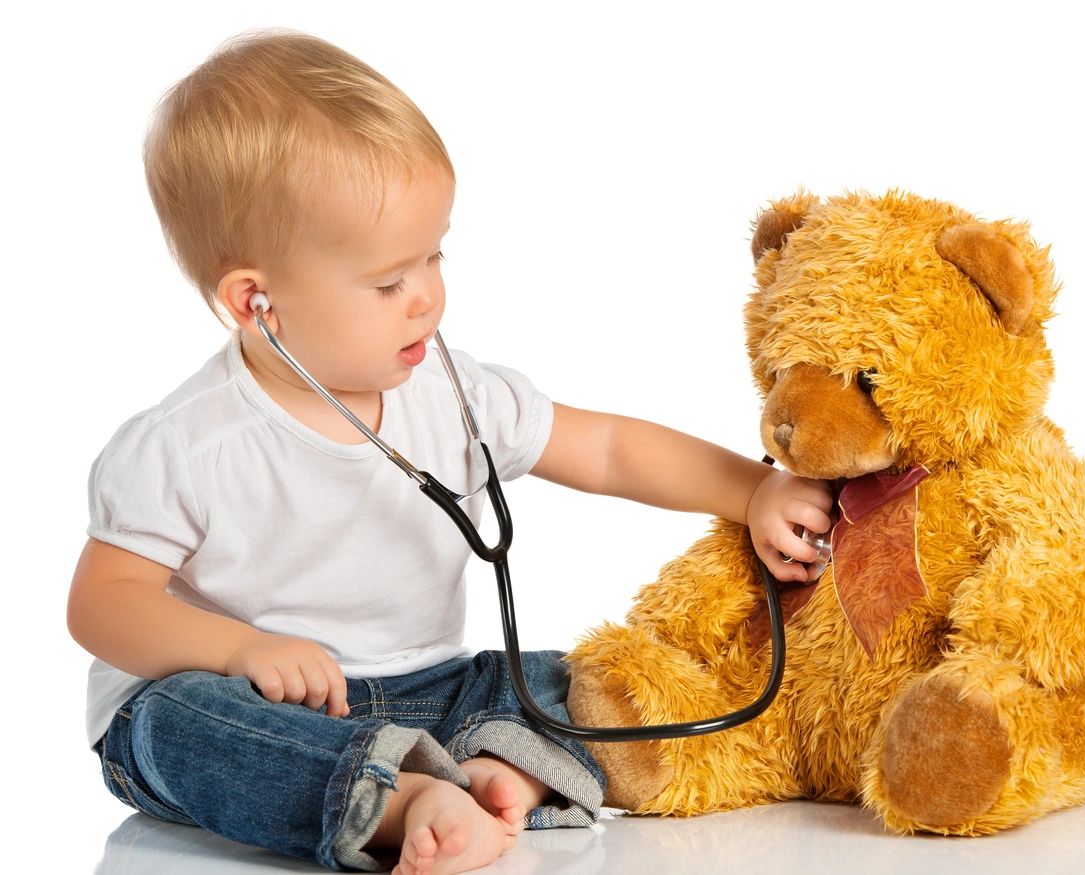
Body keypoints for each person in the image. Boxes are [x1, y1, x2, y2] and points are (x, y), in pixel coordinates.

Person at [66, 29, 833, 875]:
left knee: (574, 671)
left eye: (434, 255)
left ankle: (489, 770)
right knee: (178, 722)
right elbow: (102, 605)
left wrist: (751, 493)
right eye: (389, 281)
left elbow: (609, 448)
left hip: (430, 688)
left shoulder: (452, 392)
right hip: (257, 703)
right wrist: (239, 651)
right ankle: (403, 801)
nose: (426, 294)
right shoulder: (188, 442)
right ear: (258, 303)